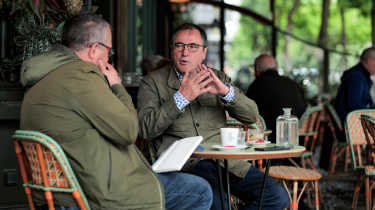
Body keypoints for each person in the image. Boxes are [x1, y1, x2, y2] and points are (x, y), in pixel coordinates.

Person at [20, 14, 212, 210]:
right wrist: (117, 86)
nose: (108, 57)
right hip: (95, 193)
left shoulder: (43, 77)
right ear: (95, 49)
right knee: (199, 190)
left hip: (60, 191)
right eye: (109, 50)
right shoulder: (82, 78)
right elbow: (129, 131)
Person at [137, 23, 289, 210]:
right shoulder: (152, 82)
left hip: (226, 164)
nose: (185, 52)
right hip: (185, 167)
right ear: (172, 50)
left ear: (204, 52)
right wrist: (181, 98)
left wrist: (225, 92)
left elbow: (251, 116)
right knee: (219, 204)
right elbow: (145, 129)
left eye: (193, 47)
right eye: (179, 46)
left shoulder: (218, 78)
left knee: (278, 196)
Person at [246, 54, 307, 143]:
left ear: (257, 69)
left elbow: (247, 113)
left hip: (269, 142)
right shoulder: (292, 84)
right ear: (276, 68)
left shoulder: (257, 85)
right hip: (297, 142)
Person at [335, 47, 375, 125]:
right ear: (369, 60)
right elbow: (354, 106)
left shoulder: (361, 75)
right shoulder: (356, 76)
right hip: (352, 125)